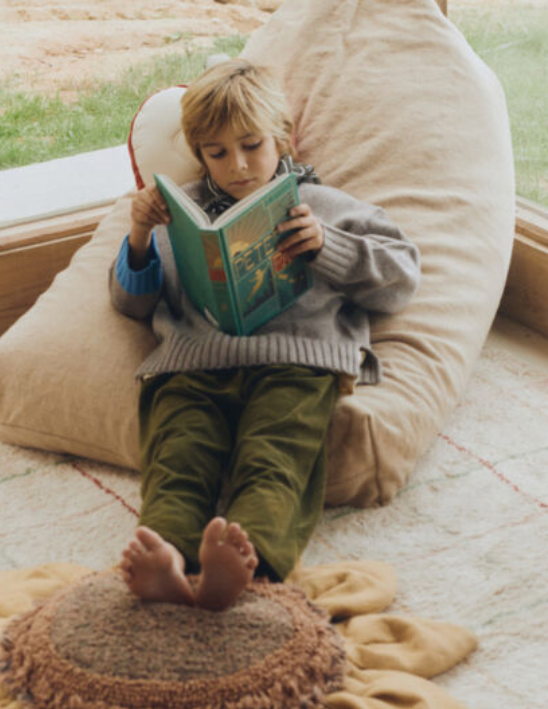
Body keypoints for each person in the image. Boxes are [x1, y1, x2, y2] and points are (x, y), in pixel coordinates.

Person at [109, 58, 419, 611]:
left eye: (252, 144)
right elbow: (129, 303)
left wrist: (328, 247)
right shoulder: (182, 212)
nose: (239, 166)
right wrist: (138, 235)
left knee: (276, 456)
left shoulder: (325, 207)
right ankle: (168, 557)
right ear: (200, 154)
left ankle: (245, 562)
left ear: (284, 138)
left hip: (295, 361)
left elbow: (401, 278)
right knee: (177, 454)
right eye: (218, 152)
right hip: (192, 363)